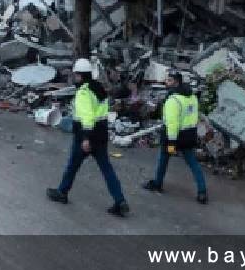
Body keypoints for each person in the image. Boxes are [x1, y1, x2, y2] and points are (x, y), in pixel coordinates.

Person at [47, 59, 130, 217]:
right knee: (107, 169)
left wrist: (86, 138)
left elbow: (87, 117)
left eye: (75, 75)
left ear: (80, 75)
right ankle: (120, 200)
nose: (74, 77)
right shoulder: (99, 88)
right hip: (101, 134)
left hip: (86, 135)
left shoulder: (84, 93)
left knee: (72, 165)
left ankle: (62, 192)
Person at [144, 72, 208, 204]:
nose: (167, 82)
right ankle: (202, 191)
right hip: (189, 134)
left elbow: (172, 124)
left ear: (177, 82)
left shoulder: (173, 100)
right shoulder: (192, 97)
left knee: (163, 159)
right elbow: (194, 116)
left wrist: (172, 142)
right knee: (193, 163)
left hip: (174, 136)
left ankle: (157, 183)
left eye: (170, 80)